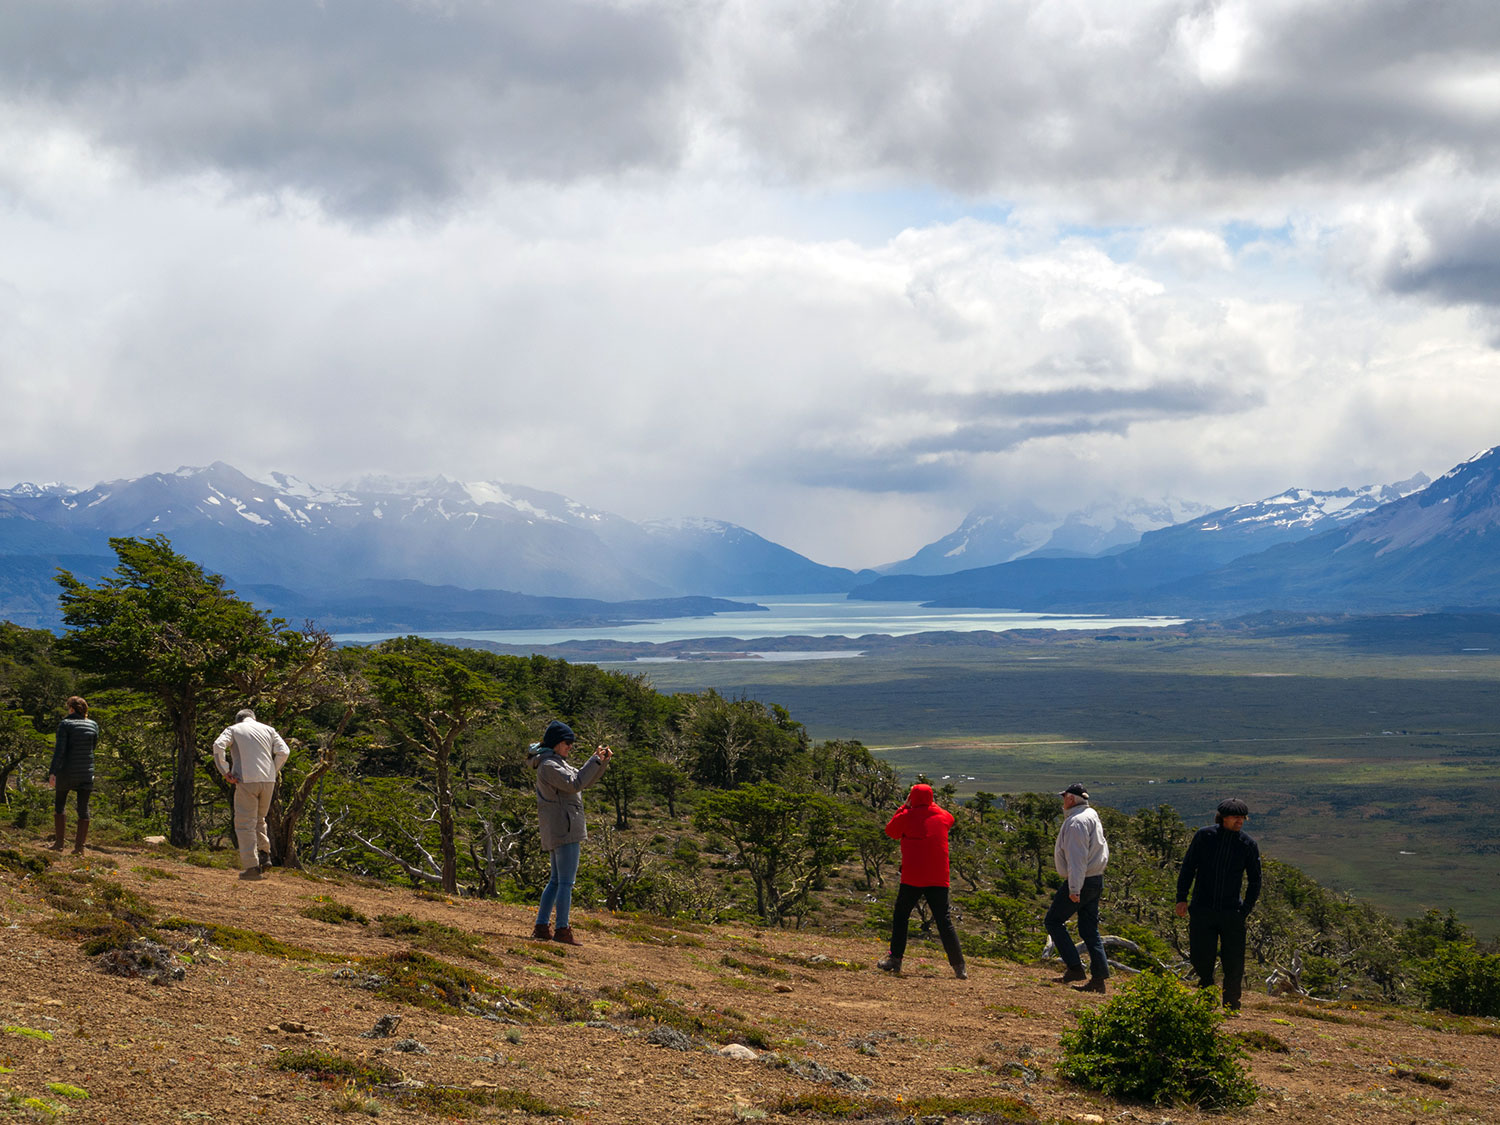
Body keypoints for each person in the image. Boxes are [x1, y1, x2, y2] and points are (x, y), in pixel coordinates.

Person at [528, 720, 612, 945]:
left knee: (556, 881)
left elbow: (583, 781)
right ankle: (562, 930)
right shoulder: (550, 766)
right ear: (556, 743)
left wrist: (600, 763)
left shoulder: (553, 763)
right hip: (564, 828)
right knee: (566, 882)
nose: (570, 747)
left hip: (560, 827)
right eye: (567, 743)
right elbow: (575, 784)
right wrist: (594, 760)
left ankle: (542, 926)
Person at [1175, 798, 1262, 1011]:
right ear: (1223, 818)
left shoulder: (1247, 844)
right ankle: (1207, 998)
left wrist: (1245, 910)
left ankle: (1232, 1004)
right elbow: (1188, 868)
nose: (1240, 821)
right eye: (1235, 817)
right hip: (1202, 908)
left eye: (1243, 818)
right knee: (1200, 956)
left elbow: (1255, 880)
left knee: (1234, 961)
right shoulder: (1204, 837)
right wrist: (1181, 897)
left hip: (1232, 911)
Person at [876, 782, 966, 979]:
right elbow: (950, 819)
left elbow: (890, 831)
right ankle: (959, 967)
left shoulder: (906, 817)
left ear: (912, 798)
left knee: (901, 916)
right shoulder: (943, 816)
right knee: (944, 921)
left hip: (913, 877)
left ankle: (895, 959)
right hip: (938, 877)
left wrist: (904, 807)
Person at [1044, 782, 1111, 993]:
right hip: (1095, 878)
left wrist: (1074, 889)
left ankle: (1075, 967)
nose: (1063, 801)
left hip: (1082, 880)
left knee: (1053, 921)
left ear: (1071, 799)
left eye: (1064, 797)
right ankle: (1098, 978)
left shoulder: (1076, 822)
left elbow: (1077, 859)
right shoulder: (1091, 815)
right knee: (1089, 929)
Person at [212, 708, 291, 881]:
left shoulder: (233, 730)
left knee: (244, 823)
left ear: (238, 719)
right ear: (253, 718)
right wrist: (273, 770)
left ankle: (251, 867)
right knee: (259, 818)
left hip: (246, 780)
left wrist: (225, 771)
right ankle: (264, 854)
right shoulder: (269, 730)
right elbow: (284, 752)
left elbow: (218, 746)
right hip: (268, 781)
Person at [48, 696, 98, 855]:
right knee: (83, 809)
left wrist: (53, 772)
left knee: (60, 805)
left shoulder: (65, 724)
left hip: (67, 771)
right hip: (86, 772)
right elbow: (93, 747)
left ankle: (59, 844)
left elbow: (60, 751)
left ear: (71, 708)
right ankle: (79, 848)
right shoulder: (93, 725)